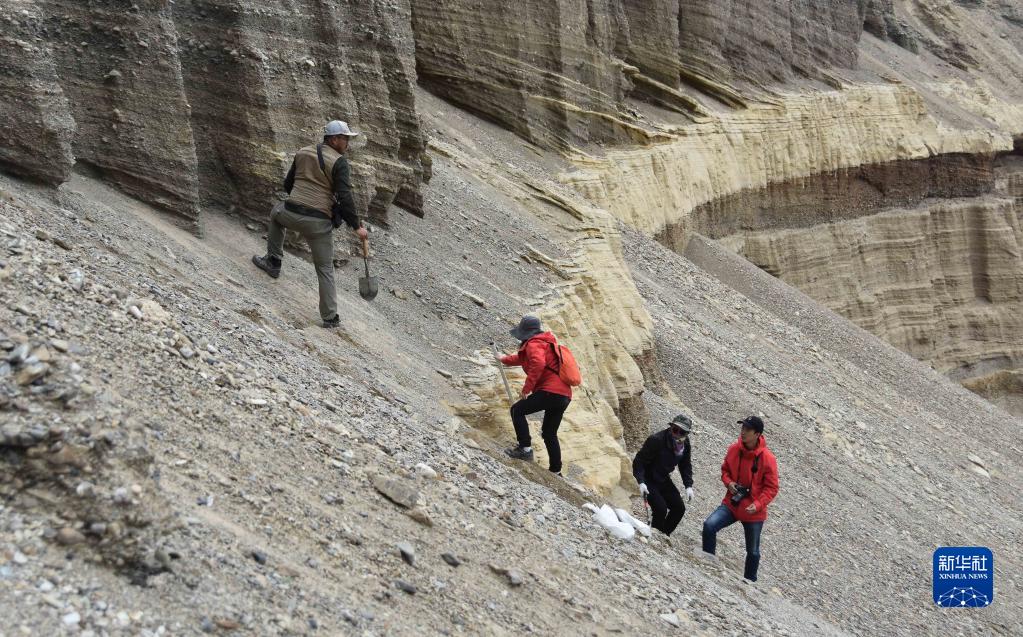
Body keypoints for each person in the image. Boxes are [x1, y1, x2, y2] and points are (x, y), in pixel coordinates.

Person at [252, 120, 369, 328]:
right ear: (334, 140)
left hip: (290, 213)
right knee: (324, 268)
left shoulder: (302, 152)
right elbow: (345, 197)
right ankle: (330, 318)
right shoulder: (340, 162)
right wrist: (356, 226)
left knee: (275, 213)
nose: (348, 143)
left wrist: (300, 201)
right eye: (345, 138)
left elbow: (288, 184)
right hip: (318, 224)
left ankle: (273, 261)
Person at [701, 415, 779, 582]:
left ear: (757, 434)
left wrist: (757, 504)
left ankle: (749, 585)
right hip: (732, 503)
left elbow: (772, 488)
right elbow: (725, 471)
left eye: (747, 429)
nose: (743, 432)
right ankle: (707, 565)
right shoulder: (734, 449)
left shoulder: (768, 459)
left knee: (753, 552)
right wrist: (729, 483)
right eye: (742, 428)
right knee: (709, 526)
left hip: (753, 512)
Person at [499, 315, 572, 476]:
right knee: (549, 433)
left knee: (517, 410)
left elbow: (538, 363)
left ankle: (525, 449)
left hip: (550, 391)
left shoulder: (533, 343)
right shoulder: (545, 343)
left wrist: (527, 388)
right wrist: (503, 359)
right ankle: (556, 470)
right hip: (564, 395)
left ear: (525, 332)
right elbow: (522, 358)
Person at [632, 413, 695, 537]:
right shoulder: (656, 440)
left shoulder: (685, 444)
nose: (677, 434)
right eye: (675, 429)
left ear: (686, 434)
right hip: (648, 478)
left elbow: (685, 465)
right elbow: (639, 461)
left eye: (682, 432)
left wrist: (688, 486)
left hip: (663, 479)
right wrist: (641, 481)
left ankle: (663, 535)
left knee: (679, 508)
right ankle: (655, 536)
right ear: (671, 427)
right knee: (661, 509)